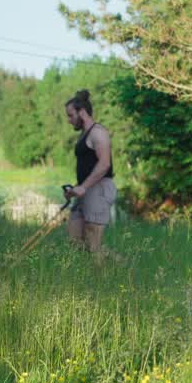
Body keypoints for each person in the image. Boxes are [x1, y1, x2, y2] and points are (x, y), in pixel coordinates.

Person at [64, 89, 116, 263]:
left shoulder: (98, 132)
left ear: (82, 112)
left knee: (94, 245)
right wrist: (74, 189)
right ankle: (121, 265)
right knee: (75, 240)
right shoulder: (84, 135)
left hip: (99, 189)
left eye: (71, 115)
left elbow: (104, 164)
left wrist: (83, 187)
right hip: (86, 190)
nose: (69, 120)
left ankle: (103, 284)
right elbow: (88, 168)